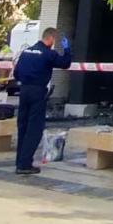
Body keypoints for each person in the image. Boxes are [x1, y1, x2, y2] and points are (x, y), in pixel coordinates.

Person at [11, 27, 71, 175]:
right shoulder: (48, 53)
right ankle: (25, 164)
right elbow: (65, 63)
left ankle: (20, 161)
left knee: (23, 127)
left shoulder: (26, 52)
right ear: (50, 38)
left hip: (24, 91)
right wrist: (67, 50)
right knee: (35, 129)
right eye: (54, 40)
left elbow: (16, 73)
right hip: (37, 92)